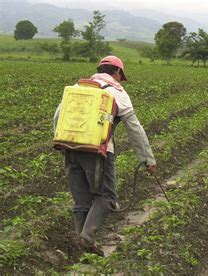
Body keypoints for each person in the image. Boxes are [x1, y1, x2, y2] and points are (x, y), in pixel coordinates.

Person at [53, 55, 157, 256]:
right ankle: (87, 238)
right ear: (117, 72)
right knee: (107, 197)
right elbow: (134, 128)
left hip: (70, 147)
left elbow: (58, 116)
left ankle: (83, 245)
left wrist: (63, 143)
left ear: (100, 69)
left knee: (81, 200)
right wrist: (147, 159)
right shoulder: (116, 92)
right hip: (99, 152)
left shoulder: (78, 86)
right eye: (120, 75)